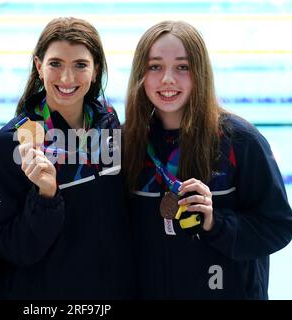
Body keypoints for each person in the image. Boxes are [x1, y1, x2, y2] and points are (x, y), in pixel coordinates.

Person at [123, 20, 292, 299]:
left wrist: (216, 223)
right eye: (155, 66)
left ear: (199, 72)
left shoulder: (240, 141)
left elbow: (278, 226)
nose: (167, 79)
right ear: (141, 73)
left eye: (182, 67)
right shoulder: (130, 143)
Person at [0, 17, 135, 299]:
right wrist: (45, 197)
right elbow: (8, 248)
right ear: (39, 66)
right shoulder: (11, 144)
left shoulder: (110, 126)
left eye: (80, 65)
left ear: (96, 71)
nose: (67, 78)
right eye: (56, 64)